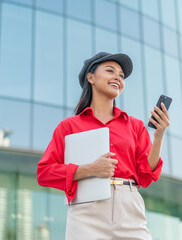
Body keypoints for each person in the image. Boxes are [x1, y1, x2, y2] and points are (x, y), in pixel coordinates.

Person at [37, 52, 170, 240]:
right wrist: (89, 169)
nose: (118, 77)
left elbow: (146, 176)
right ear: (90, 77)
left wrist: (158, 136)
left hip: (129, 209)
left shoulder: (135, 126)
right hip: (86, 211)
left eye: (121, 75)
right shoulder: (69, 126)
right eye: (110, 71)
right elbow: (44, 173)